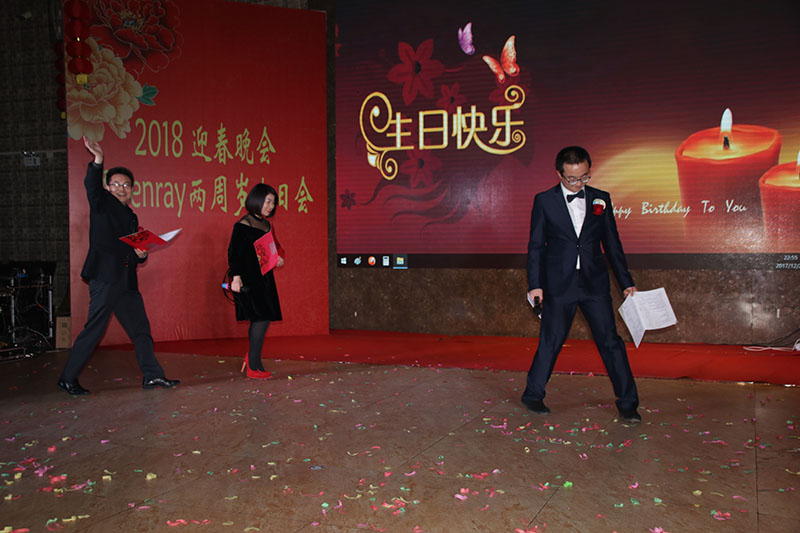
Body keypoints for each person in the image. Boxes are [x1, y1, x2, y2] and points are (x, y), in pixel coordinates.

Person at [522, 146, 640, 423]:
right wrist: (535, 285)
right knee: (551, 340)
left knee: (610, 342)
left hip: (594, 283)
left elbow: (612, 244)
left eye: (584, 177)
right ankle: (533, 395)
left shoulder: (601, 199)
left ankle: (628, 403)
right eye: (572, 178)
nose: (578, 183)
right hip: (558, 284)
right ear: (559, 174)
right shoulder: (544, 201)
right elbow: (536, 246)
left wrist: (626, 282)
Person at [58, 137, 180, 395]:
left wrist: (141, 254)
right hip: (105, 277)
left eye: (126, 185)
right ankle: (67, 378)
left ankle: (152, 376)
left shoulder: (131, 216)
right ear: (108, 186)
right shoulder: (101, 203)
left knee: (141, 330)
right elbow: (92, 186)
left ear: (132, 189)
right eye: (116, 184)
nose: (122, 188)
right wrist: (98, 159)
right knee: (94, 329)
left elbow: (133, 251)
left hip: (126, 282)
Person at [227, 184, 284, 379]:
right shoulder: (243, 224)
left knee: (265, 318)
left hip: (265, 278)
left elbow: (271, 249)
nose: (270, 206)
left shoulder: (267, 225)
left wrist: (277, 258)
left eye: (273, 203)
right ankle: (253, 364)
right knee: (259, 318)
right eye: (268, 202)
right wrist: (236, 278)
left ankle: (254, 360)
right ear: (257, 200)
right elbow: (234, 253)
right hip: (248, 278)